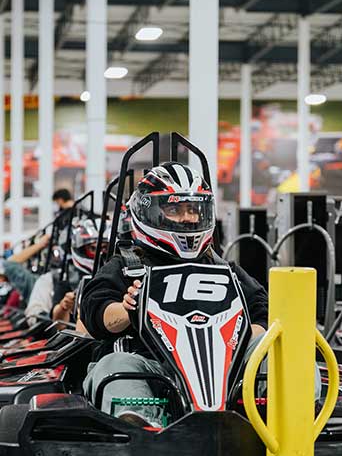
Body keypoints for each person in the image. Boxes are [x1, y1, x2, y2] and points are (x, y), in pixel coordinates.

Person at [80, 162, 268, 427]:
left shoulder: (224, 269)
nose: (188, 218)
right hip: (155, 372)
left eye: (193, 209)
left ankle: (287, 418)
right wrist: (127, 309)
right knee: (113, 364)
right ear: (148, 212)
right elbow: (94, 313)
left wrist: (242, 340)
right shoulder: (127, 266)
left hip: (229, 372)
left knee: (282, 348)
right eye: (174, 210)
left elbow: (263, 312)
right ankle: (142, 426)